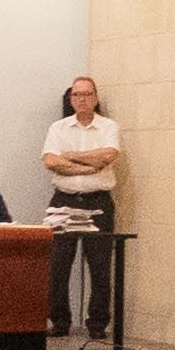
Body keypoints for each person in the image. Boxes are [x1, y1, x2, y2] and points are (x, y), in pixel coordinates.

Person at [43, 76, 123, 335]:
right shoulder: (58, 127)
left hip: (98, 202)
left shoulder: (108, 126)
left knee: (100, 267)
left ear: (96, 98)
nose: (81, 99)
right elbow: (52, 162)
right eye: (76, 95)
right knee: (58, 266)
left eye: (87, 94)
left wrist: (71, 157)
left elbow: (109, 156)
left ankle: (98, 324)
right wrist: (90, 165)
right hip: (64, 202)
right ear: (71, 99)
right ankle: (60, 322)